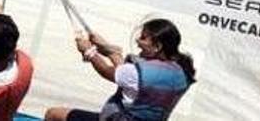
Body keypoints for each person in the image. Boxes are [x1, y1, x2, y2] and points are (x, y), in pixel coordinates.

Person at [44, 19, 196, 121]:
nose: (137, 40)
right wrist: (111, 52)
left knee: (53, 114)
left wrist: (89, 52)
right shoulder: (182, 70)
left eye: (143, 38)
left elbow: (107, 71)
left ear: (157, 47)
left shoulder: (137, 73)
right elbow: (129, 77)